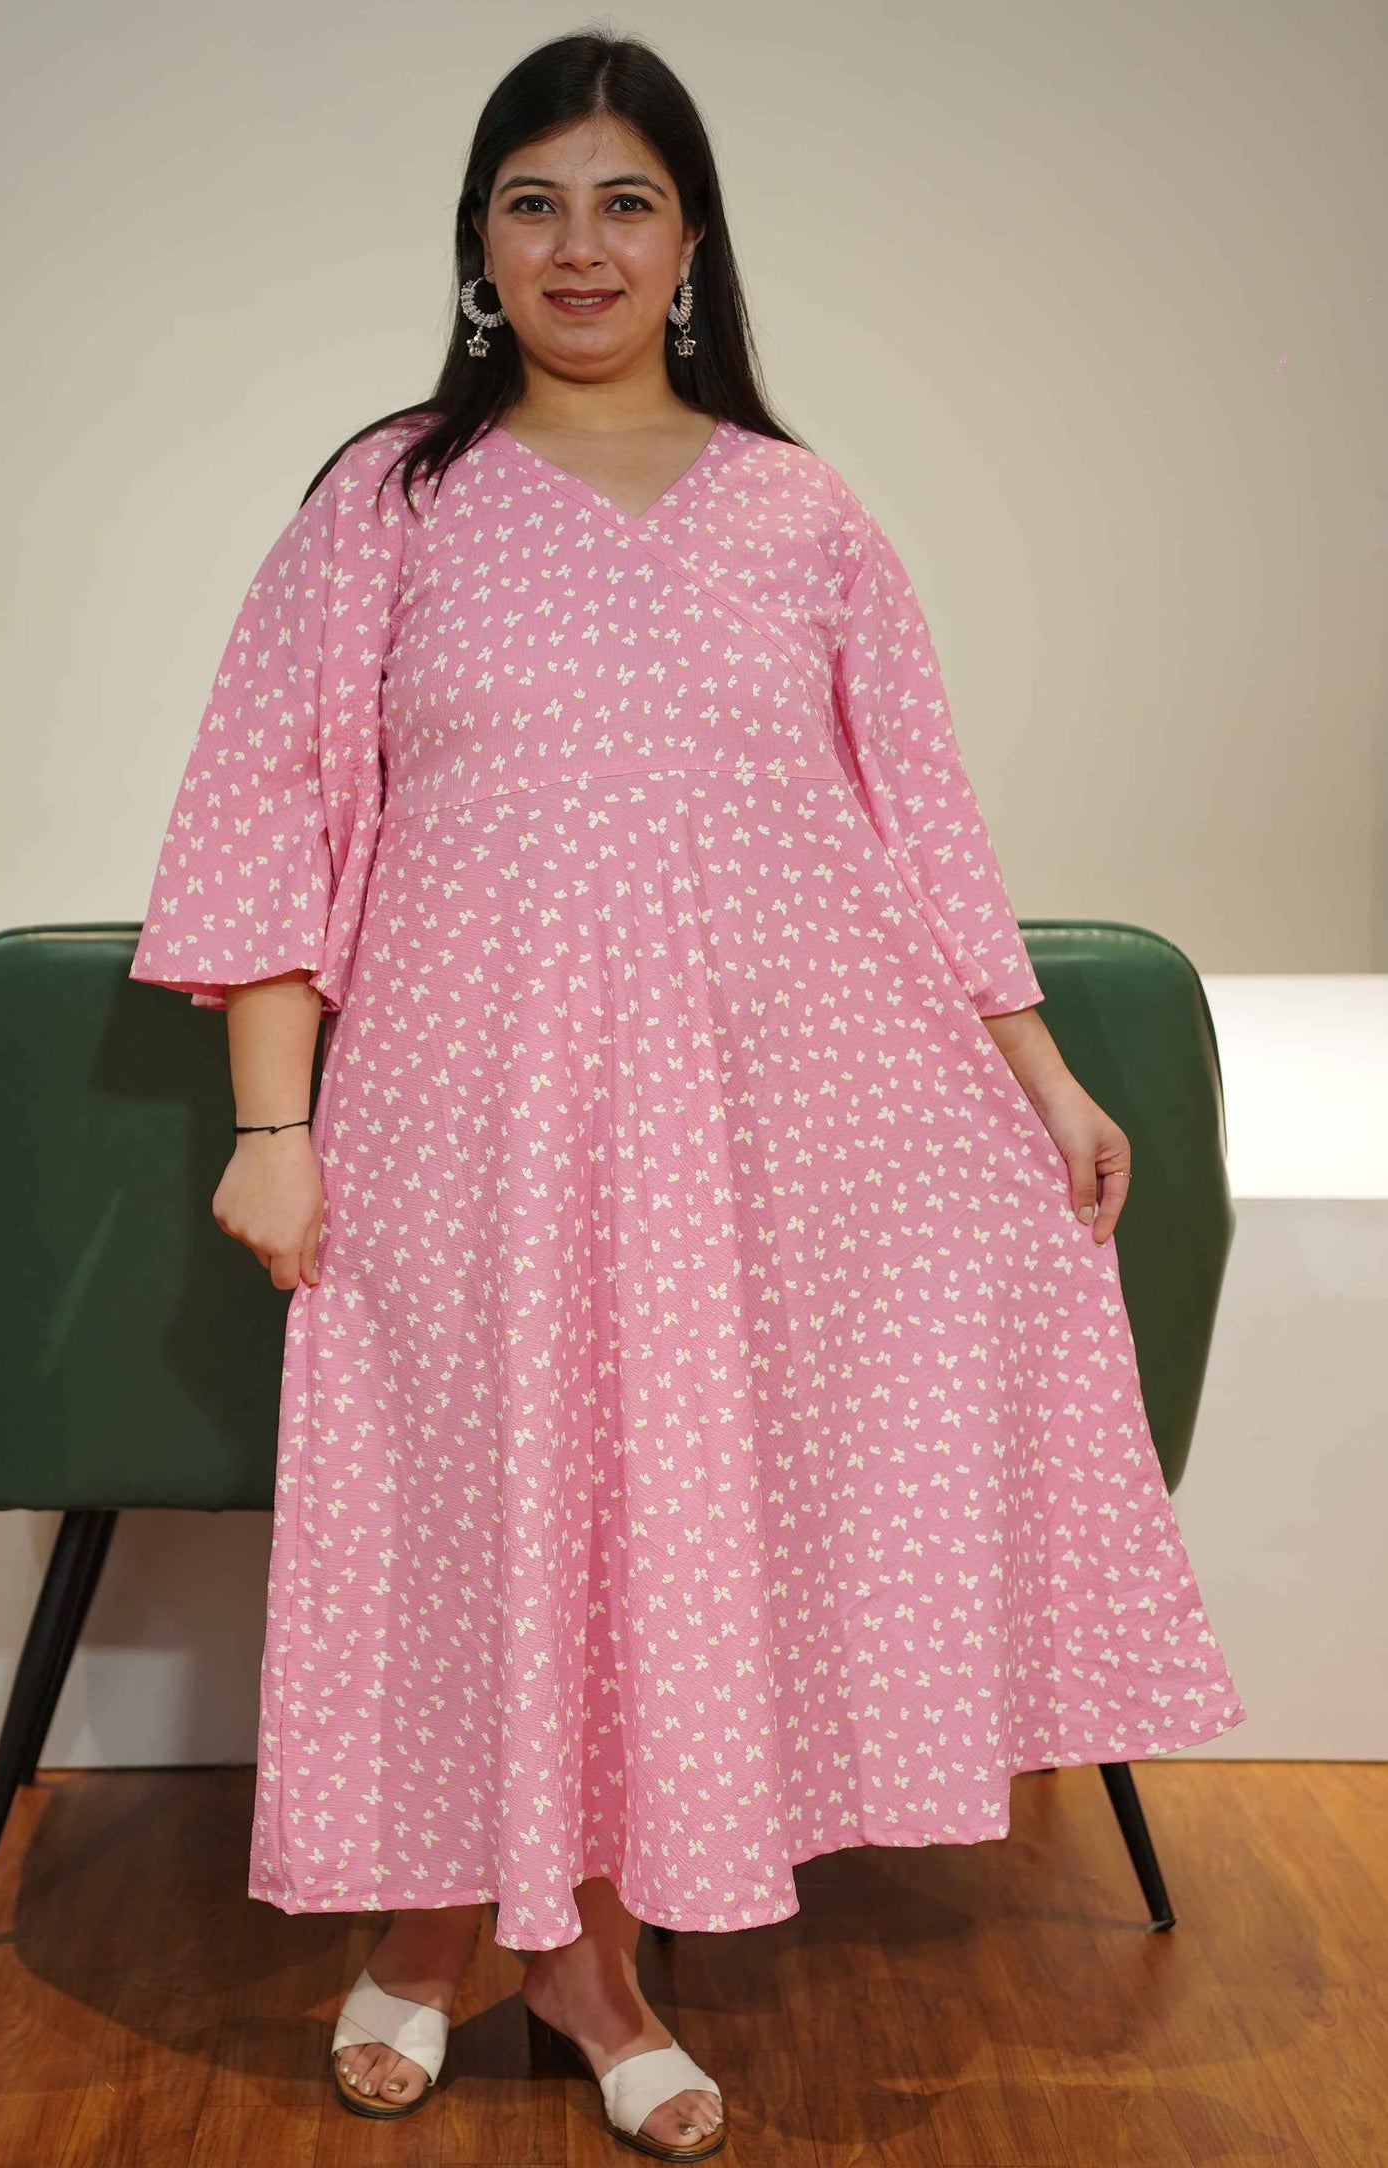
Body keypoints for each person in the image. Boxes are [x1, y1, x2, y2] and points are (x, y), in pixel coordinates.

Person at [128, 28, 1246, 2155]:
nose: (582, 245)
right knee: (473, 1510)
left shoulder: (802, 510)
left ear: (693, 240)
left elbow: (914, 823)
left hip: (766, 1119)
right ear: (478, 242)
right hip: (462, 1114)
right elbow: (273, 814)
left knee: (668, 1521)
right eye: (534, 202)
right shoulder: (392, 497)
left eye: (625, 201)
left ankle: (589, 1959)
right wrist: (274, 1126)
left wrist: (1038, 1074)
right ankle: (442, 1926)